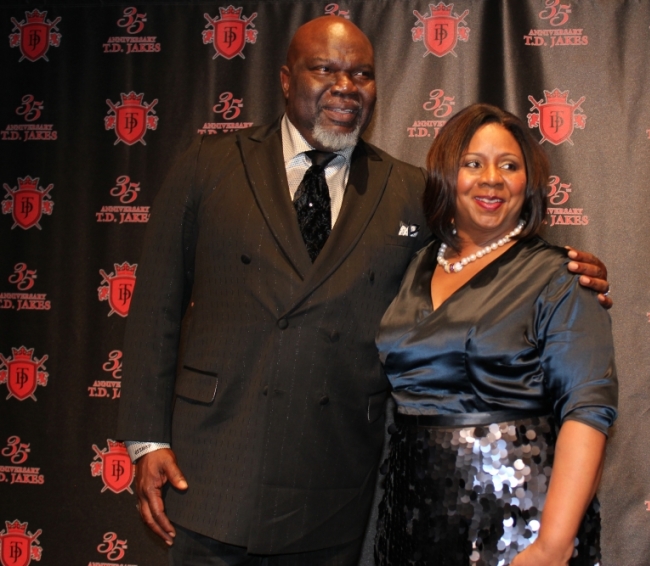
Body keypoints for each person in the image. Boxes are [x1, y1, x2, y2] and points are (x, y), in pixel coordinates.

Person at [116, 16, 611, 566]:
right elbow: (155, 308)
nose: (345, 86)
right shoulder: (207, 167)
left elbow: (485, 249)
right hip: (212, 470)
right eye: (324, 69)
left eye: (362, 74)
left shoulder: (410, 192)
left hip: (338, 487)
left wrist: (567, 268)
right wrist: (146, 440)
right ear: (284, 79)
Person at [374, 104, 617, 566]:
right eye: (473, 163)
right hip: (409, 518)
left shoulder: (561, 276)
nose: (492, 179)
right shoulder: (414, 263)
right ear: (447, 174)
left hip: (519, 523)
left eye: (509, 165)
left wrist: (552, 546)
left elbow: (587, 410)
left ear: (529, 183)